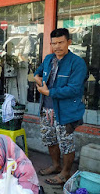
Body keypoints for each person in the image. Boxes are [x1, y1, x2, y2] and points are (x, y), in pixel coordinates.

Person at [35, 28, 87, 185]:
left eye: (60, 42)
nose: (57, 46)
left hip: (66, 111)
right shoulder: (49, 59)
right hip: (46, 109)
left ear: (69, 42)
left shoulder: (77, 63)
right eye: (54, 43)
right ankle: (56, 166)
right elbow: (37, 73)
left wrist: (49, 91)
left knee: (66, 143)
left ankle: (65, 173)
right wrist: (38, 79)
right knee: (50, 140)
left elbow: (74, 89)